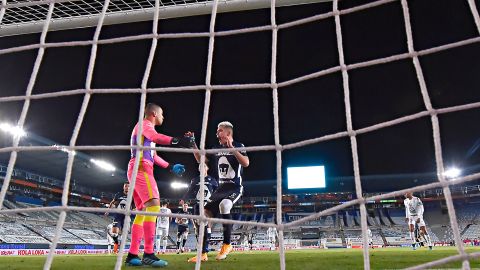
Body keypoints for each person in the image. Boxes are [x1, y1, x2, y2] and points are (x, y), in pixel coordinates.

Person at [125, 103, 192, 267]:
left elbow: (153, 156)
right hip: (141, 168)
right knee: (154, 206)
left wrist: (170, 167)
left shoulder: (144, 131)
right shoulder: (146, 125)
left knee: (142, 212)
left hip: (137, 168)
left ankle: (133, 254)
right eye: (162, 114)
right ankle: (148, 253)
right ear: (154, 113)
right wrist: (178, 141)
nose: (164, 117)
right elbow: (156, 138)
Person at [187, 121, 249, 261]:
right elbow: (201, 160)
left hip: (234, 187)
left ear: (228, 133)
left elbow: (246, 163)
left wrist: (232, 148)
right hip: (221, 188)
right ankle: (202, 254)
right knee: (204, 216)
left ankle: (227, 244)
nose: (217, 133)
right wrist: (193, 145)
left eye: (219, 131)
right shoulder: (216, 148)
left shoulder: (239, 146)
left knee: (224, 205)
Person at [180, 163, 218, 262]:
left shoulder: (212, 180)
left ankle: (203, 252)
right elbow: (189, 191)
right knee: (198, 228)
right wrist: (184, 199)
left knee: (204, 226)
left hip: (208, 206)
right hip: (197, 205)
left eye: (204, 166)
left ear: (207, 168)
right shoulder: (195, 180)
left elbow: (218, 192)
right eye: (200, 166)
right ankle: (202, 251)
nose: (202, 167)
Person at [105, 182, 132, 253]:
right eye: (125, 186)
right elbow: (113, 202)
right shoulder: (118, 194)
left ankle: (120, 248)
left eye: (128, 186)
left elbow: (135, 206)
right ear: (123, 187)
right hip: (118, 214)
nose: (127, 187)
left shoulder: (132, 195)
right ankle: (117, 243)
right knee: (114, 232)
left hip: (126, 215)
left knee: (124, 232)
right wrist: (108, 210)